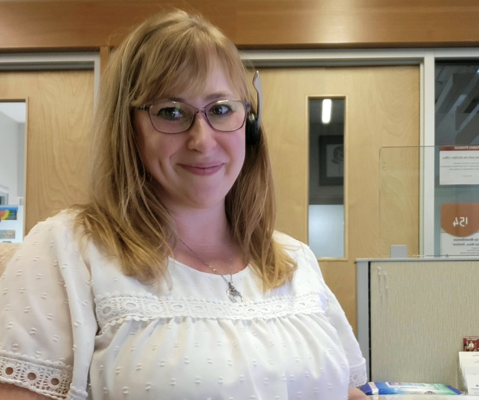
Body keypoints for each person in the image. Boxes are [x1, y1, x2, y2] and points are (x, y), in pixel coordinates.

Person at [0, 9, 368, 400]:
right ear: (129, 130)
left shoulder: (295, 261)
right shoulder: (68, 249)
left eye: (221, 109)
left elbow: (344, 391)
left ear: (251, 124)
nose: (202, 140)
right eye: (170, 112)